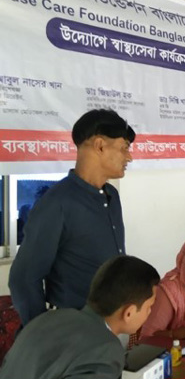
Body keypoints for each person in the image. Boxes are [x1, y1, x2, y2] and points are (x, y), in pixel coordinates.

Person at [9, 109, 135, 326]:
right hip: (73, 328)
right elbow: (24, 279)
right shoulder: (57, 203)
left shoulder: (111, 196)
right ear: (100, 145)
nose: (129, 157)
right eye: (124, 148)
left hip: (110, 322)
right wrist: (42, 331)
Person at [0, 255, 159, 379]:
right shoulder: (105, 349)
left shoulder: (49, 318)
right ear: (129, 312)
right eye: (149, 307)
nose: (150, 312)